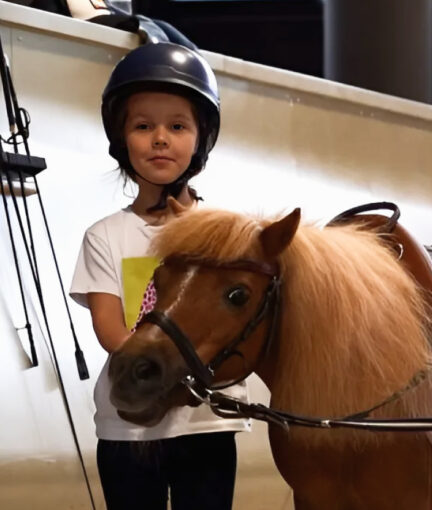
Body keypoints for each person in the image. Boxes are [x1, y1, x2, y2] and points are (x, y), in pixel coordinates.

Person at [69, 42, 250, 510]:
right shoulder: (105, 235)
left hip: (206, 423)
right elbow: (111, 330)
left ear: (200, 138)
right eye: (143, 126)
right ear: (122, 138)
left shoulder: (225, 233)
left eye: (177, 126)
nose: (160, 138)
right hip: (128, 424)